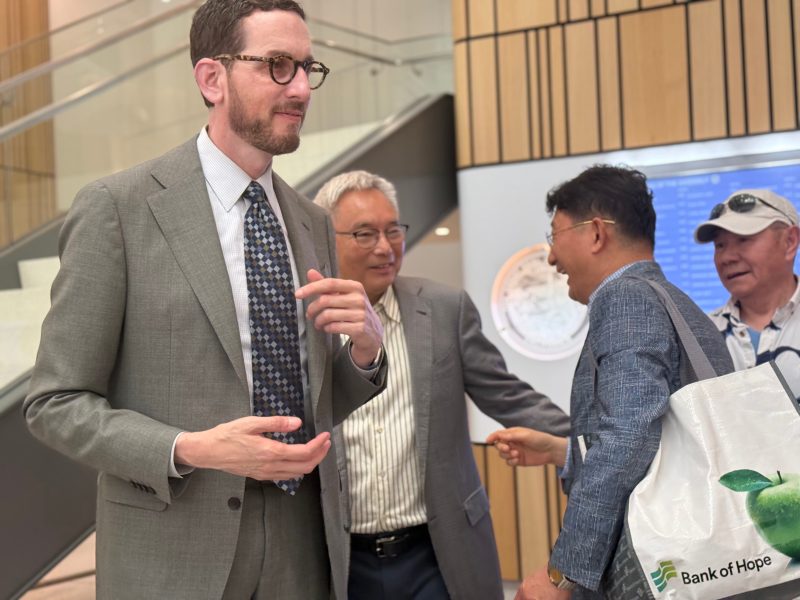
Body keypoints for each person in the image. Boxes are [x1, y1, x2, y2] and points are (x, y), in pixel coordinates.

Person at [23, 2, 388, 599]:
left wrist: (366, 352)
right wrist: (189, 448)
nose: (299, 87)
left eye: (305, 67)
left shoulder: (312, 221)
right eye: (276, 65)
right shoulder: (119, 209)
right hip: (174, 554)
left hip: (306, 549)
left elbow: (310, 400)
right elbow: (55, 403)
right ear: (211, 78)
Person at [312, 170, 570, 600]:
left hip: (437, 550)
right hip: (341, 558)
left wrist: (591, 443)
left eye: (392, 230)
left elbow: (508, 395)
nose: (384, 246)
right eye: (363, 233)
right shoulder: (304, 327)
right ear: (325, 238)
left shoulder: (444, 310)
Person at [487, 165, 733, 599]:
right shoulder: (675, 300)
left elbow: (627, 438)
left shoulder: (625, 298)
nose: (551, 257)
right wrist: (563, 452)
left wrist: (563, 575)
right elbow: (659, 439)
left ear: (596, 233)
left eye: (554, 236)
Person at [694, 189, 800, 399]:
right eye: (720, 245)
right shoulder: (699, 337)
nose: (727, 257)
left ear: (790, 242)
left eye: (744, 239)